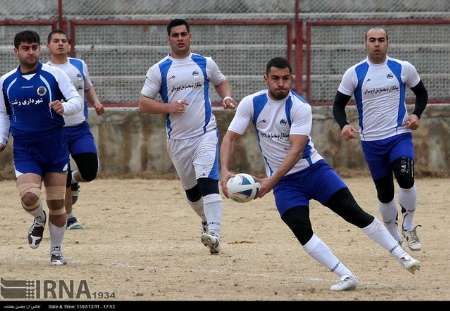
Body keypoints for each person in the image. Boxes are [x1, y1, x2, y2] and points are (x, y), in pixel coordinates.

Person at [220, 57, 421, 291]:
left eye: (285, 78)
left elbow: (296, 150)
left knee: (353, 213)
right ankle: (346, 275)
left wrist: (269, 182)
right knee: (300, 229)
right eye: (275, 78)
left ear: (291, 79)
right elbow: (230, 137)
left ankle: (402, 256)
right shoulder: (251, 103)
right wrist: (224, 171)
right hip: (286, 185)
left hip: (314, 172)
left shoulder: (300, 107)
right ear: (266, 79)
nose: (281, 83)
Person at [138, 19, 236, 254]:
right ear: (169, 39)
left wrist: (226, 97)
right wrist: (168, 107)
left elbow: (221, 82)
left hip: (205, 133)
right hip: (178, 141)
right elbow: (143, 103)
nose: (180, 38)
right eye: (175, 35)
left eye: (184, 34)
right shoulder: (159, 69)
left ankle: (214, 232)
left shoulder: (205, 63)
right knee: (192, 192)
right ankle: (205, 219)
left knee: (207, 178)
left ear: (190, 36)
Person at [333, 28, 428, 251]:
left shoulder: (403, 68)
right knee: (385, 194)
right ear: (365, 43)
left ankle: (409, 225)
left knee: (405, 177)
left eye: (381, 40)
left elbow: (421, 94)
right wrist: (344, 125)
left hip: (398, 135)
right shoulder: (354, 73)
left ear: (388, 43)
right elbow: (338, 105)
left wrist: (416, 114)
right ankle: (393, 234)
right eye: (372, 40)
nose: (377, 44)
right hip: (372, 142)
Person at [0, 30, 82, 265]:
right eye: (25, 48)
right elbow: (3, 114)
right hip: (26, 151)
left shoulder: (53, 75)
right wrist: (1, 138)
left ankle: (56, 252)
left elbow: (76, 101)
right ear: (15, 51)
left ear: (39, 49)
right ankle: (38, 218)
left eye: (34, 47)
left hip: (54, 148)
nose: (31, 52)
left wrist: (63, 108)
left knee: (57, 203)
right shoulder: (6, 81)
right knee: (28, 197)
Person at [46, 29, 105, 230]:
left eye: (64, 40)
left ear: (69, 45)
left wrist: (96, 103)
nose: (60, 44)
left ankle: (74, 179)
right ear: (49, 46)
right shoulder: (45, 70)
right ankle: (70, 217)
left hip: (79, 128)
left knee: (90, 171)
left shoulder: (79, 65)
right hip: (57, 131)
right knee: (62, 176)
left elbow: (87, 88)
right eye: (56, 41)